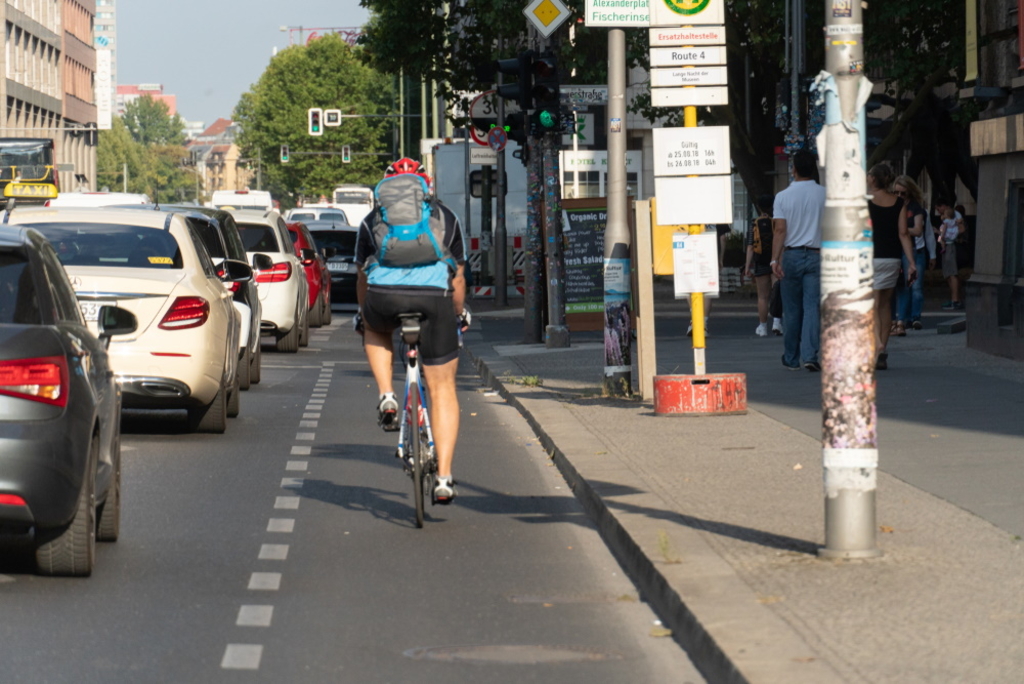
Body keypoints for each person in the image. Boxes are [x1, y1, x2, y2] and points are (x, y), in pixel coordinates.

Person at [354, 157, 468, 503]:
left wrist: (365, 312)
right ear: (426, 188)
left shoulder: (372, 219)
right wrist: (458, 313)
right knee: (443, 388)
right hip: (435, 300)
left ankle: (387, 394)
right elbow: (458, 276)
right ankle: (445, 477)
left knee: (374, 328)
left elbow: (362, 275)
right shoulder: (446, 218)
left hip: (384, 298)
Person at [771, 149, 826, 371]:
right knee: (812, 307)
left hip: (791, 255)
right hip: (816, 254)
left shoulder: (782, 196)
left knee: (792, 309)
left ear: (793, 169)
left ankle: (791, 357)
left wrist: (775, 260)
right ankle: (810, 356)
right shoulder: (824, 194)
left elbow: (780, 230)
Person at [867, 163, 917, 370]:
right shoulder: (899, 203)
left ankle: (876, 345)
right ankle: (882, 349)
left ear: (873, 179)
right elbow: (903, 233)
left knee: (872, 305)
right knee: (885, 304)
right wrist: (911, 262)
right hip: (891, 259)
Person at [892, 175, 934, 333]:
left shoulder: (916, 208)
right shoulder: (893, 206)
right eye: (896, 193)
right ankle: (903, 319)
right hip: (899, 249)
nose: (899, 196)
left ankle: (914, 317)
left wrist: (901, 230)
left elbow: (920, 231)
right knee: (903, 287)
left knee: (915, 286)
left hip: (916, 249)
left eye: (903, 193)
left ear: (909, 193)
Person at [745, 194, 782, 337]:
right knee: (777, 293)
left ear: (758, 206)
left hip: (760, 261)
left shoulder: (754, 223)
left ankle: (762, 327)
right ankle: (777, 323)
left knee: (762, 296)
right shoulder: (777, 222)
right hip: (775, 260)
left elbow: (750, 247)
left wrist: (748, 266)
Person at [934, 197, 965, 310]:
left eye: (939, 208)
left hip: (951, 245)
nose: (939, 211)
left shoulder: (954, 216)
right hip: (947, 245)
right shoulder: (948, 217)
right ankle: (955, 298)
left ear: (944, 206)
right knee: (948, 274)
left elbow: (961, 229)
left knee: (952, 273)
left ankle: (955, 300)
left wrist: (949, 233)